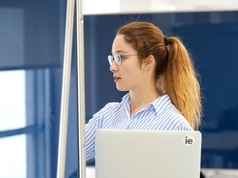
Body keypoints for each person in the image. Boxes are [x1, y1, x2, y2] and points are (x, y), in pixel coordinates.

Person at [84, 21, 202, 160]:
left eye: (120, 57)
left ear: (148, 61)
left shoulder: (175, 125)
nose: (113, 67)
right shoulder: (107, 116)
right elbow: (67, 157)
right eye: (113, 58)